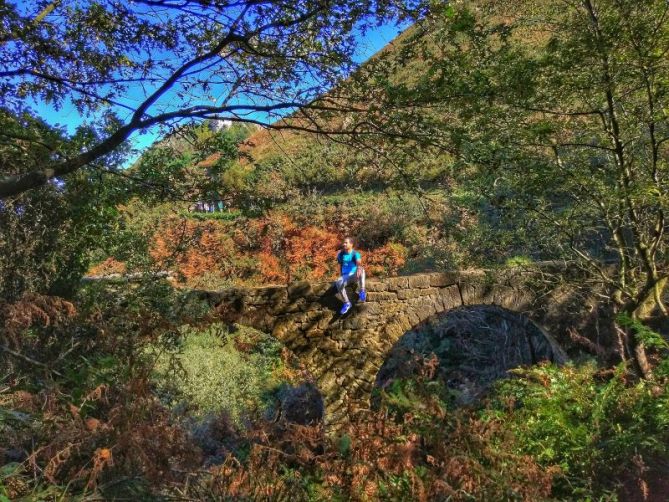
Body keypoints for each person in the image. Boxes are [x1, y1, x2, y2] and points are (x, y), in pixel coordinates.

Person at [334, 236, 366, 315]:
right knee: (338, 282)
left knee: (361, 269)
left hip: (355, 275)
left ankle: (362, 290)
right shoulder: (341, 254)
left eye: (346, 243)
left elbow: (358, 262)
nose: (344, 244)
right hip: (346, 277)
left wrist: (358, 267)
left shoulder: (355, 253)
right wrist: (338, 256)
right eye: (343, 243)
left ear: (351, 244)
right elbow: (341, 264)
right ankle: (347, 303)